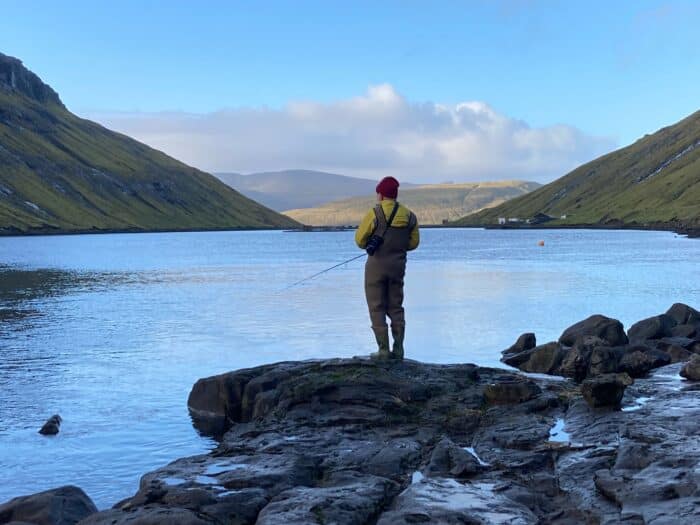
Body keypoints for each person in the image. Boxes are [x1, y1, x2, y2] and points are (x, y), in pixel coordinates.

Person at [355, 176, 419, 360]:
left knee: (376, 306)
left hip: (376, 266)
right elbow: (414, 243)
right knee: (396, 306)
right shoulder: (409, 216)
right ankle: (399, 350)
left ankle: (383, 350)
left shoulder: (375, 213)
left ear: (381, 195)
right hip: (398, 267)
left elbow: (359, 241)